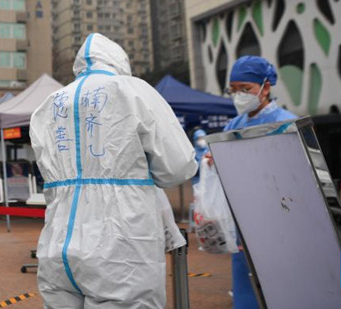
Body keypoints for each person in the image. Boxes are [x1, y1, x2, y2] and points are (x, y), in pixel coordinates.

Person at [30, 33, 197, 308]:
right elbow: (177, 167)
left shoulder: (48, 104)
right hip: (120, 244)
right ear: (120, 62)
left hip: (57, 241)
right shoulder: (133, 90)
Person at [218, 55, 297, 309]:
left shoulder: (287, 123)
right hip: (245, 219)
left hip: (280, 219)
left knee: (283, 283)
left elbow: (296, 176)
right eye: (234, 90)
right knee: (246, 284)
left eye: (245, 89)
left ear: (266, 87)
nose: (239, 95)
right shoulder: (234, 125)